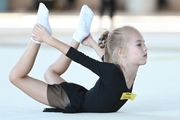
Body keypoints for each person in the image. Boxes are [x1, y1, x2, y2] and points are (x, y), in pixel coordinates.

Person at [9, 3, 147, 113]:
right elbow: (80, 58)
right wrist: (48, 39)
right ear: (121, 52)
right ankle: (36, 38)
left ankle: (78, 35)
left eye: (144, 44)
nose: (145, 48)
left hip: (79, 96)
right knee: (15, 77)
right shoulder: (113, 72)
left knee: (50, 73)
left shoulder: (126, 70)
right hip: (69, 100)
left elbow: (108, 60)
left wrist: (92, 42)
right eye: (139, 44)